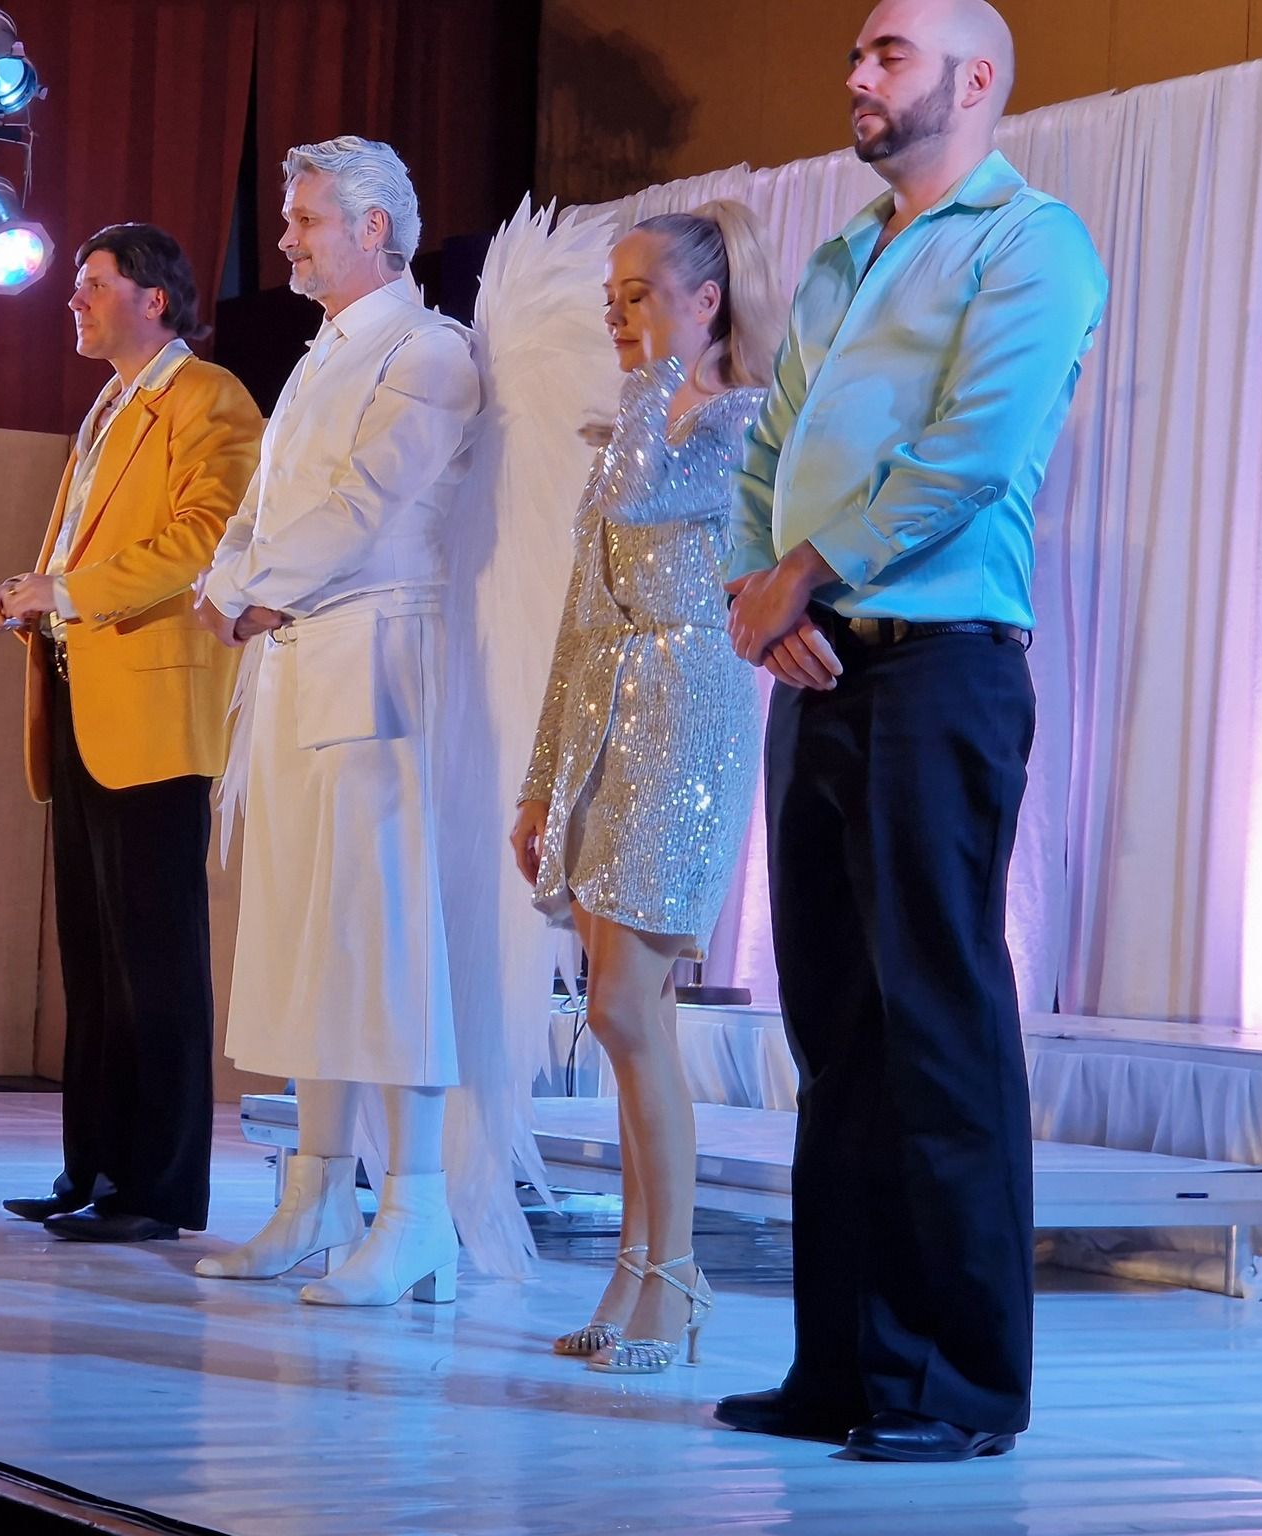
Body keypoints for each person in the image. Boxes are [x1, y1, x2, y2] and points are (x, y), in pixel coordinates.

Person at [713, 0, 1106, 1462]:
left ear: (975, 78)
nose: (856, 73)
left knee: (937, 1021)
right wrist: (754, 592)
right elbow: (766, 450)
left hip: (939, 664)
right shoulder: (838, 255)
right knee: (834, 1029)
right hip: (814, 665)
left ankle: (957, 1384)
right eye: (856, 53)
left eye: (887, 53)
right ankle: (847, 1366)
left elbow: (970, 451)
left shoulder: (1032, 242)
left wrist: (805, 572)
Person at [191, 136, 481, 1306]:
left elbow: (368, 499)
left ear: (372, 228)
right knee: (306, 933)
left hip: (377, 663)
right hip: (296, 658)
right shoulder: (322, 354)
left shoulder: (429, 349)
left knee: (384, 933)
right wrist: (228, 585)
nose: (284, 239)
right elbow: (261, 505)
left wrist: (259, 589)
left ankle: (414, 1209)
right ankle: (312, 1195)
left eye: (305, 219)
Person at [510, 201, 782, 1372]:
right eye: (609, 299)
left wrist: (649, 387)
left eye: (637, 295)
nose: (617, 317)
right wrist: (537, 783)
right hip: (603, 717)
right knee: (622, 1018)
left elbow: (637, 497)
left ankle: (672, 1278)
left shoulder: (738, 422)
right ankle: (635, 1271)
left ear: (704, 301)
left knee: (625, 1010)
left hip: (687, 708)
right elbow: (580, 617)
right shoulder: (632, 424)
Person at [0, 224, 260, 1243]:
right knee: (93, 958)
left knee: (154, 956)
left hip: (152, 708)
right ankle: (91, 1165)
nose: (74, 300)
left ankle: (158, 1187)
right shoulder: (107, 404)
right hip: (79, 695)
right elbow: (84, 549)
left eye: (93, 284)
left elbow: (205, 536)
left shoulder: (208, 396)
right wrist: (30, 592)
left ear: (154, 299)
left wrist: (64, 592)